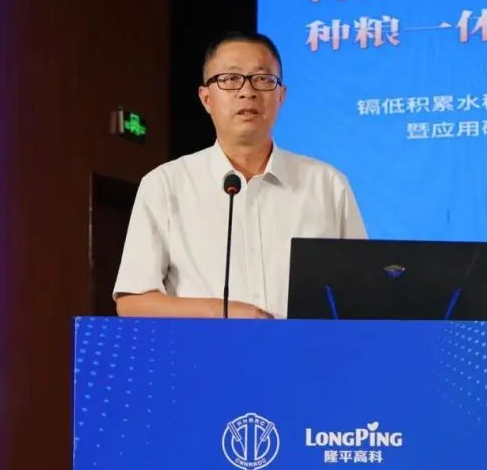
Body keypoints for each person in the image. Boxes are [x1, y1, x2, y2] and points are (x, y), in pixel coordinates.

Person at [113, 31, 367, 319]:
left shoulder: (327, 185)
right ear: (206, 98)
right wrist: (223, 312)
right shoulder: (165, 184)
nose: (248, 91)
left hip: (307, 348)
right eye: (231, 79)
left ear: (281, 95)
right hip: (203, 348)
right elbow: (133, 302)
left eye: (263, 79)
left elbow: (361, 293)